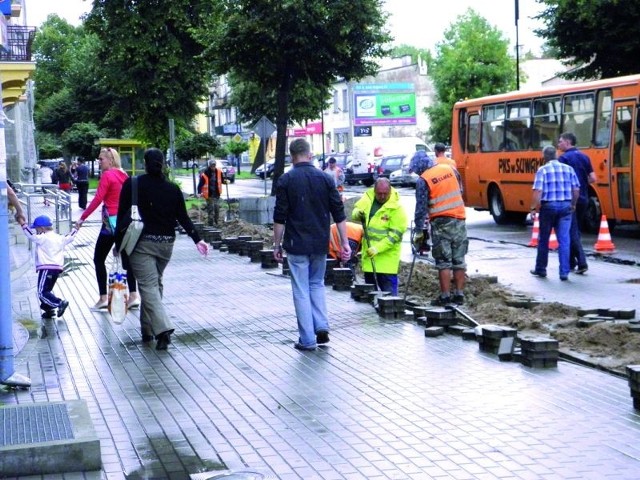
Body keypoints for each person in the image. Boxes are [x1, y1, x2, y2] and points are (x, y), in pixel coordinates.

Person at [116, 148, 209, 350]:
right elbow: (183, 218)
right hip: (166, 245)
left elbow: (121, 216)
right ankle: (147, 330)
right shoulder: (173, 189)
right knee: (154, 284)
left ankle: (163, 329)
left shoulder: (133, 184)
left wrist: (118, 245)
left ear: (145, 162)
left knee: (149, 286)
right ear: (163, 163)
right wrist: (197, 240)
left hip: (141, 244)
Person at [273, 138, 351, 351]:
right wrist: (344, 243)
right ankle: (322, 326)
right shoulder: (326, 179)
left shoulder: (286, 180)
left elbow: (279, 217)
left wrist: (276, 245)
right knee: (316, 284)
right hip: (319, 243)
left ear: (292, 157)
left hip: (296, 244)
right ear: (310, 155)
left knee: (300, 289)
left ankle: (307, 339)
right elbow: (339, 213)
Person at [76, 147, 140, 310]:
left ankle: (103, 298)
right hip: (124, 223)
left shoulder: (107, 175)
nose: (99, 161)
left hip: (110, 224)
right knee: (127, 259)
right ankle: (133, 295)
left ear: (110, 160)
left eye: (101, 159)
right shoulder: (124, 175)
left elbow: (98, 199)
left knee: (98, 259)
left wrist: (82, 218)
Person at [411, 150, 468, 305]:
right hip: (460, 218)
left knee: (443, 260)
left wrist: (418, 230)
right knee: (459, 259)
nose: (417, 173)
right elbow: (461, 190)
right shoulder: (450, 169)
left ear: (420, 167)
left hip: (442, 222)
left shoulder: (423, 180)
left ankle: (445, 296)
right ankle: (459, 294)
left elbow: (421, 208)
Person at [530, 145, 581, 281]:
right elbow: (576, 190)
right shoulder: (568, 169)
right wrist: (573, 204)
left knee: (544, 239)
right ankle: (564, 272)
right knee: (564, 240)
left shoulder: (543, 170)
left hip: (548, 208)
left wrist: (534, 208)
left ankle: (541, 269)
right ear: (557, 155)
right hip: (566, 207)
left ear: (544, 157)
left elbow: (538, 191)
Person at [352, 177, 407, 296]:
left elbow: (394, 236)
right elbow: (355, 212)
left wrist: (377, 248)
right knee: (370, 297)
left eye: (385, 194)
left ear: (390, 191)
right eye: (379, 193)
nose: (382, 196)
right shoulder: (368, 198)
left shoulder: (397, 209)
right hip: (369, 260)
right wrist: (358, 213)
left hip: (386, 262)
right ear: (374, 190)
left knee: (390, 298)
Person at [19, 215, 77, 319]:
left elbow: (30, 236)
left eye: (36, 229)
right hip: (56, 269)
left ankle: (59, 303)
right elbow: (70, 237)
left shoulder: (43, 237)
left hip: (46, 268)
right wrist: (76, 229)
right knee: (47, 290)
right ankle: (48, 310)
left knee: (42, 292)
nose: (36, 231)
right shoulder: (59, 238)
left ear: (42, 228)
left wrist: (23, 224)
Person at [558, 132, 595, 274]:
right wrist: (582, 183)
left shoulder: (564, 158)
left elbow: (562, 180)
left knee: (571, 231)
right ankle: (571, 262)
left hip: (571, 199)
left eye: (560, 141)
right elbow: (593, 178)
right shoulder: (584, 157)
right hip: (584, 198)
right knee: (575, 229)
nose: (558, 144)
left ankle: (582, 262)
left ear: (567, 142)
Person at [197, 159, 223, 226]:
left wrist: (225, 181)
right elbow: (200, 184)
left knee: (216, 208)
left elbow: (222, 180)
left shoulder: (219, 172)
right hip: (209, 195)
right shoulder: (205, 174)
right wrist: (199, 192)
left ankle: (216, 222)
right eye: (212, 166)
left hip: (217, 194)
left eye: (214, 165)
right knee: (211, 209)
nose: (213, 167)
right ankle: (210, 224)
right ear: (209, 166)